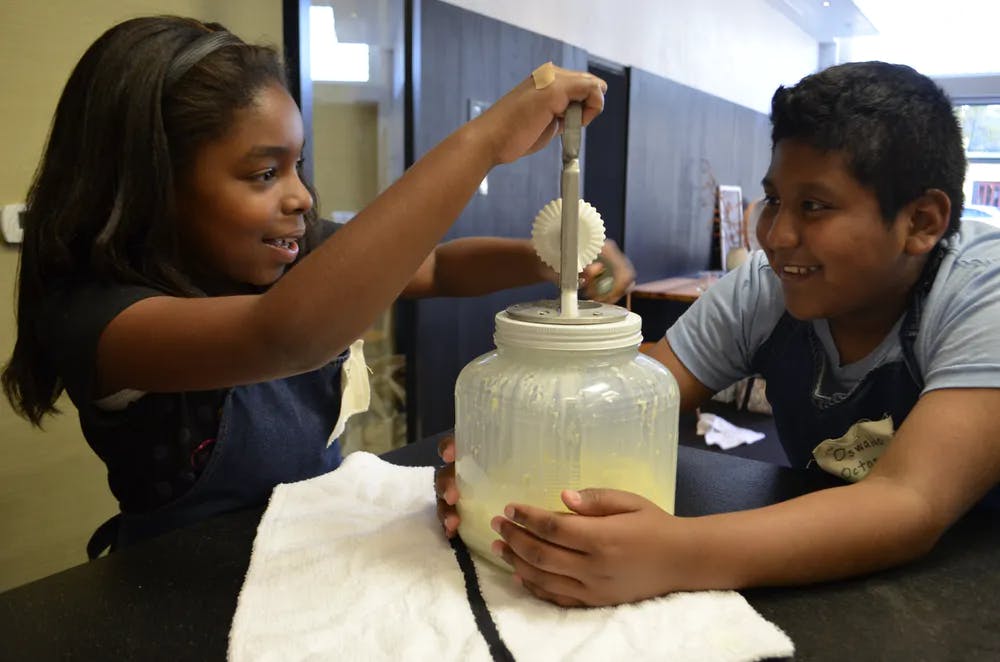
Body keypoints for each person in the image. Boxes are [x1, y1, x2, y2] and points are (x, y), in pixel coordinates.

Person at [0, 16, 629, 554]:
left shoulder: (289, 255)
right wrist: (486, 140)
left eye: (297, 165)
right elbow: (283, 336)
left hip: (306, 550)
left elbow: (436, 266)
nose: (300, 196)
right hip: (178, 585)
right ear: (149, 183)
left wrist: (547, 256)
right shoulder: (103, 319)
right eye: (265, 173)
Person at [436, 60, 1000, 607]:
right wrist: (499, 456)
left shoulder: (980, 293)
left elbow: (909, 501)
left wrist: (676, 554)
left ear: (922, 222)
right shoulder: (767, 284)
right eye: (775, 200)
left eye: (815, 206)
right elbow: (636, 398)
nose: (777, 236)